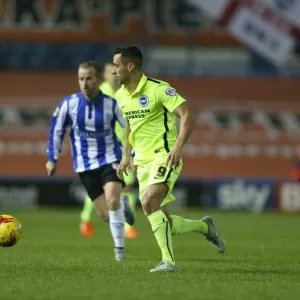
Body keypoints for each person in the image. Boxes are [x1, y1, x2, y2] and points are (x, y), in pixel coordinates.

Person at [112, 46, 226, 272]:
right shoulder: (121, 95)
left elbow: (186, 114)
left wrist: (178, 147)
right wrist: (127, 156)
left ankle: (169, 262)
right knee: (166, 222)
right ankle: (206, 227)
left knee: (147, 199)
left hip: (164, 156)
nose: (113, 71)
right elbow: (129, 126)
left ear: (130, 66)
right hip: (142, 162)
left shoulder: (159, 89)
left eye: (116, 66)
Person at [46, 61, 135, 261]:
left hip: (110, 158)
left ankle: (119, 250)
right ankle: (123, 206)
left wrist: (131, 155)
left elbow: (130, 129)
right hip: (85, 165)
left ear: (97, 79)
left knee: (112, 200)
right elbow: (56, 129)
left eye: (89, 78)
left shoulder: (111, 104)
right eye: (81, 79)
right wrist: (52, 158)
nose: (84, 83)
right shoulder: (70, 104)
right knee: (105, 214)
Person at [80, 62, 139, 239]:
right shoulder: (99, 93)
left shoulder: (127, 93)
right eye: (110, 72)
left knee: (127, 186)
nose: (114, 74)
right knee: (101, 189)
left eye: (116, 71)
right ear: (104, 75)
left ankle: (128, 225)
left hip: (125, 148)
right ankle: (86, 220)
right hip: (103, 148)